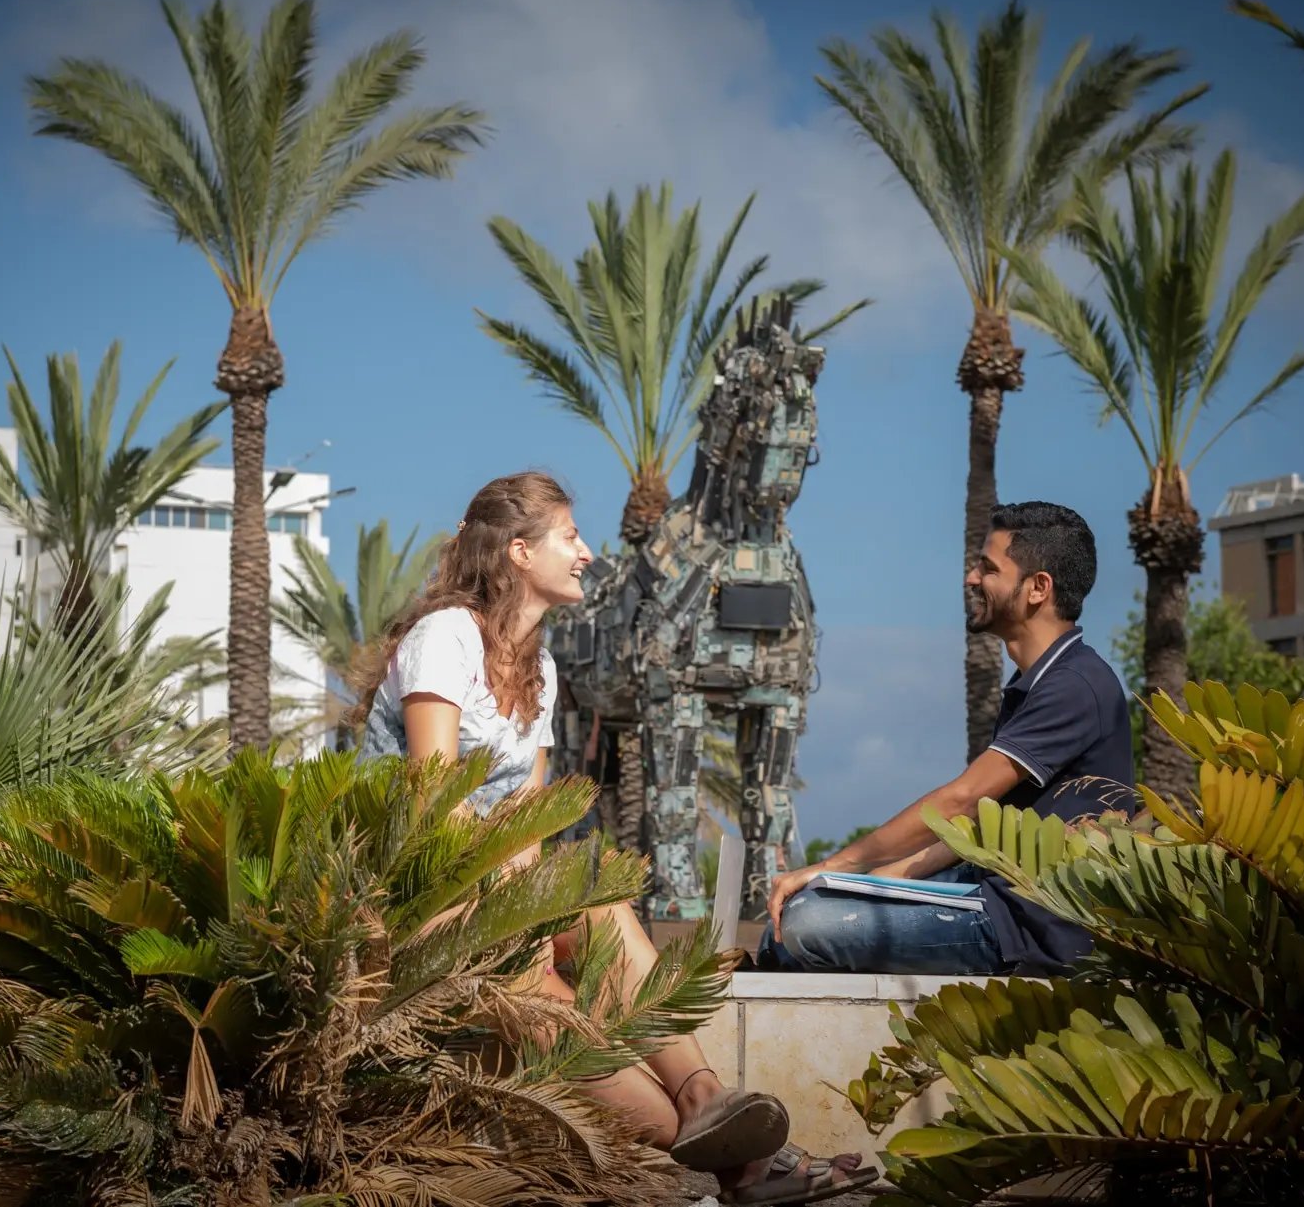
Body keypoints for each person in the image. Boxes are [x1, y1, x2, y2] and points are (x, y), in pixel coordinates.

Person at [352, 471, 874, 1206]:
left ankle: (706, 1098)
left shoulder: (541, 669)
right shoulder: (446, 638)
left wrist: (524, 911)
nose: (588, 551)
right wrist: (510, 918)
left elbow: (527, 820)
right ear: (519, 552)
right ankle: (743, 1161)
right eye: (570, 535)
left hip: (486, 898)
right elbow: (433, 802)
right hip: (411, 899)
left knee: (598, 901)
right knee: (646, 1110)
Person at [761, 501, 1136, 977]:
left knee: (806, 922)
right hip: (994, 895)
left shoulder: (1075, 686)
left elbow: (962, 800)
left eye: (989, 568)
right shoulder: (1039, 682)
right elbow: (979, 825)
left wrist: (843, 864)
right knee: (796, 913)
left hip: (1031, 926)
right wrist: (882, 875)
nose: (971, 579)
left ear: (1038, 588)